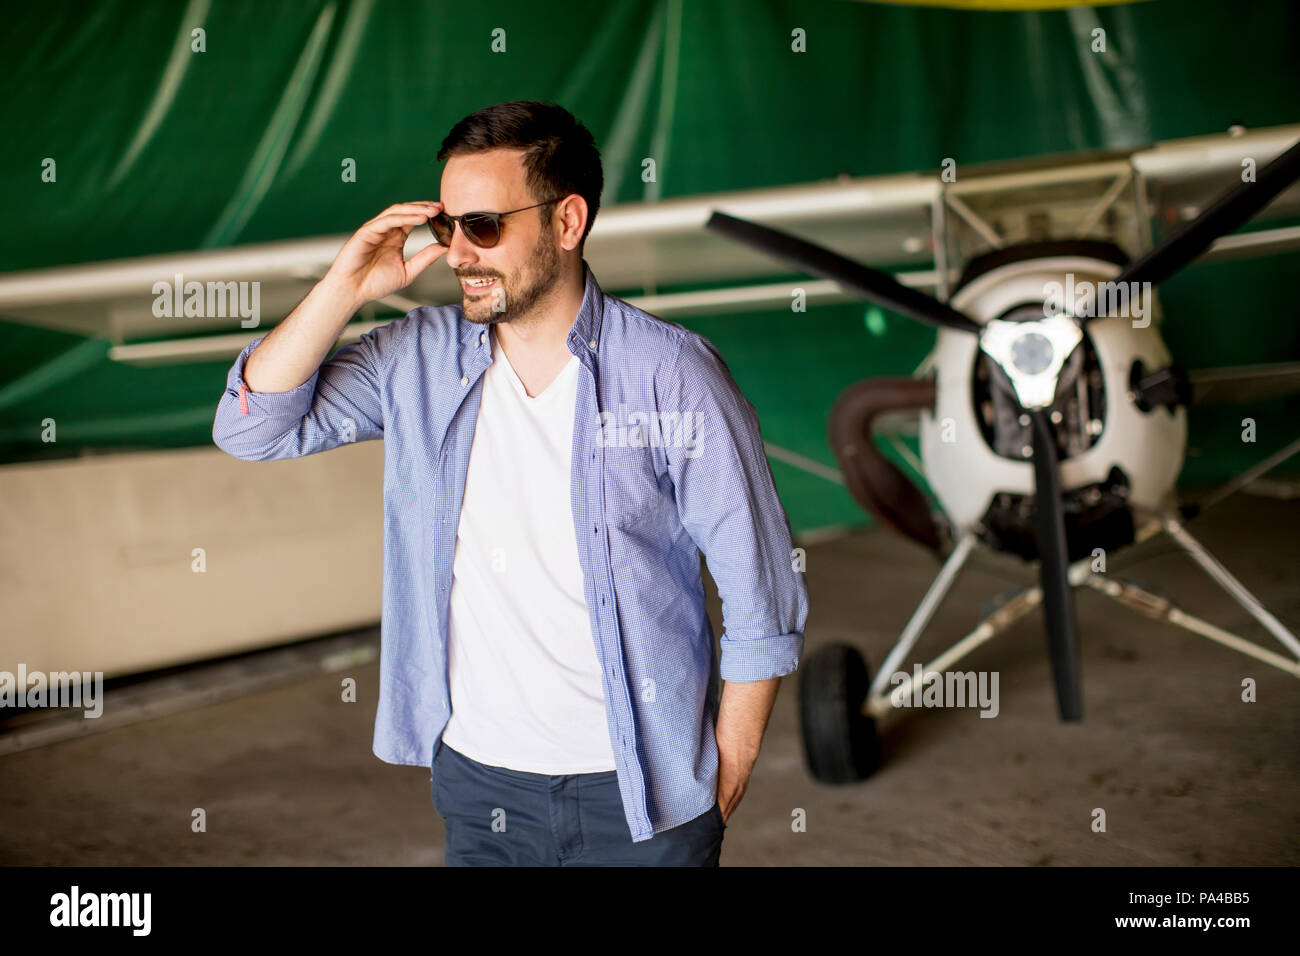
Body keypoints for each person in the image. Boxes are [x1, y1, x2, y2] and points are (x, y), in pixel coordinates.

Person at [212, 100, 808, 866]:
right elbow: (252, 428)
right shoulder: (415, 359)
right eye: (446, 227)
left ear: (567, 222)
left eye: (484, 226)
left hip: (640, 795)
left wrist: (720, 786)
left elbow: (761, 595)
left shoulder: (671, 375)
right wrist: (345, 286)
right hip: (479, 784)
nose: (459, 252)